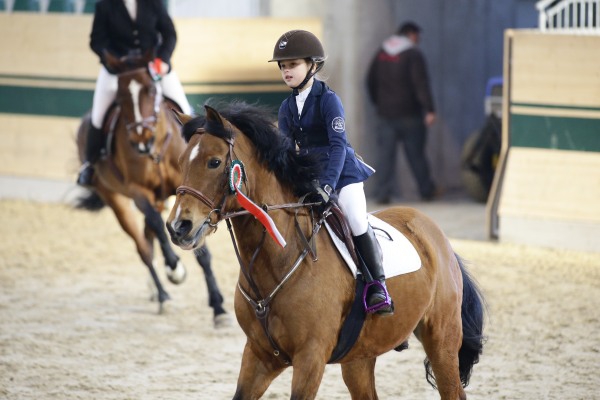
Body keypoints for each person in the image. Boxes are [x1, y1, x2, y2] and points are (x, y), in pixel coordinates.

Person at [270, 30, 393, 315]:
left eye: (293, 65)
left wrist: (328, 185)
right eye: (283, 66)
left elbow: (338, 146)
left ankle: (378, 286)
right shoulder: (287, 107)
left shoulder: (328, 100)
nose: (286, 71)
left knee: (355, 219)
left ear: (312, 65)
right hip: (311, 176)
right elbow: (288, 151)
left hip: (342, 174)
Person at [77, 0, 192, 187]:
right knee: (98, 115)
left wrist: (163, 59)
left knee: (185, 108)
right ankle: (90, 165)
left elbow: (169, 34)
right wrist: (114, 60)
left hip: (152, 67)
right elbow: (96, 41)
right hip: (119, 70)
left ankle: (194, 155)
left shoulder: (153, 3)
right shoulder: (105, 5)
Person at [366, 21, 439, 203]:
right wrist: (429, 109)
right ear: (411, 34)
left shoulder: (381, 53)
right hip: (410, 115)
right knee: (416, 155)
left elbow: (370, 80)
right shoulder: (413, 54)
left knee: (385, 157)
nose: (418, 40)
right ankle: (426, 191)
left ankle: (382, 193)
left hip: (385, 115)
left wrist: (379, 103)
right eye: (418, 36)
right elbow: (420, 83)